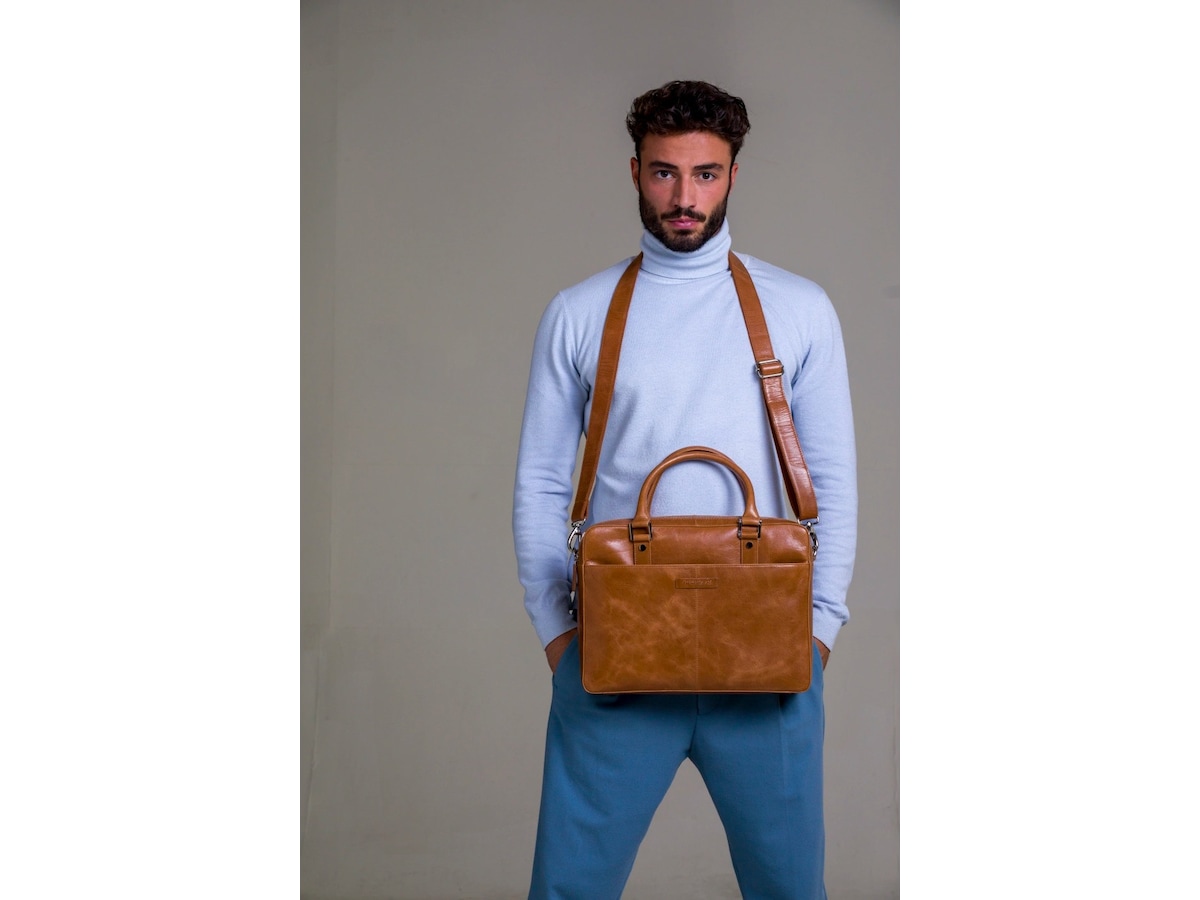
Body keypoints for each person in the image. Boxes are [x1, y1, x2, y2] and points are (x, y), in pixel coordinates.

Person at [512, 80, 857, 899]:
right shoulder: (580, 312)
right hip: (616, 654)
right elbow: (542, 482)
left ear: (734, 175)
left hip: (767, 656)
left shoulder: (799, 309)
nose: (684, 197)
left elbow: (831, 483)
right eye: (665, 172)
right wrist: (560, 636)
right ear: (635, 171)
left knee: (790, 891)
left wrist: (818, 631)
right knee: (568, 891)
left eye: (705, 174)